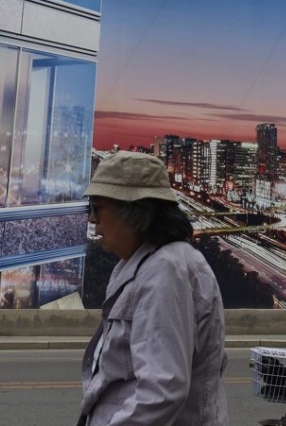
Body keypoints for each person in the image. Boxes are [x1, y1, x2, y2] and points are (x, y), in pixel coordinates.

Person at [79, 151, 228, 426]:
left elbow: (162, 390)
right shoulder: (140, 263)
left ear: (133, 211)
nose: (91, 219)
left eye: (97, 207)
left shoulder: (166, 270)